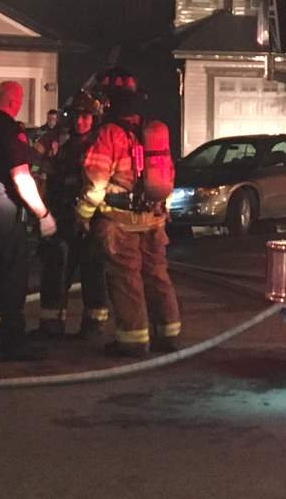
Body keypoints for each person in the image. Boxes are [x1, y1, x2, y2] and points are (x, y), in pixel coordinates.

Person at [76, 67, 181, 358]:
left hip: (120, 224)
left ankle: (133, 341)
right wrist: (163, 212)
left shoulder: (109, 134)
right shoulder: (152, 132)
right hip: (154, 219)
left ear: (108, 103)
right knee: (157, 276)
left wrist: (83, 215)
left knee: (126, 280)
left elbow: (96, 181)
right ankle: (169, 334)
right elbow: (168, 176)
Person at [0, 80, 57, 361]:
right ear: (14, 101)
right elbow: (20, 177)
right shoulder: (10, 132)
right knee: (11, 278)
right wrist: (43, 213)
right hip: (3, 211)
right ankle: (13, 343)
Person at [35, 90, 111, 339]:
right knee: (56, 270)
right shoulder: (57, 142)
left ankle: (94, 324)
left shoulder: (101, 144)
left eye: (87, 117)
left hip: (91, 218)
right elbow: (36, 166)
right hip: (61, 214)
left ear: (95, 118)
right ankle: (51, 324)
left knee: (93, 271)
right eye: (77, 116)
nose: (81, 121)